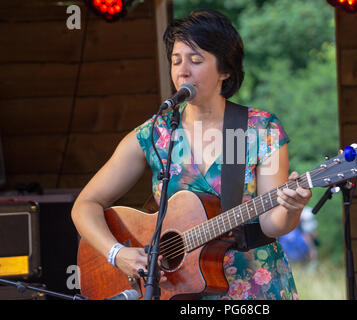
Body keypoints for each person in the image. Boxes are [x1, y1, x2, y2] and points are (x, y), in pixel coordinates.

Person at [71, 8, 312, 300]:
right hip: (175, 291)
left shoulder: (256, 130)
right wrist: (117, 253)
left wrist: (291, 208)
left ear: (225, 70)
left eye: (196, 60)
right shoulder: (156, 134)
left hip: (250, 289)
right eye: (176, 60)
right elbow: (85, 204)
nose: (182, 70)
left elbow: (271, 224)